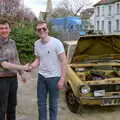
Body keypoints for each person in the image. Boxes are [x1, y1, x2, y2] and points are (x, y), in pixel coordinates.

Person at [29, 21, 67, 120]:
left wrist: (62, 79)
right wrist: (31, 66)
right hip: (42, 77)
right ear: (37, 32)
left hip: (54, 77)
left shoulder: (56, 43)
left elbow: (63, 61)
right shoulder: (36, 44)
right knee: (41, 104)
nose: (42, 30)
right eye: (39, 29)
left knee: (53, 105)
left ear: (48, 30)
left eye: (44, 28)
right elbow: (38, 59)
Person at [0, 19, 29, 120]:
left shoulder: (12, 42)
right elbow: (4, 64)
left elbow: (16, 58)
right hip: (2, 80)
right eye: (1, 28)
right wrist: (23, 68)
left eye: (6, 28)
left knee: (12, 106)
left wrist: (21, 74)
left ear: (9, 29)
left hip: (13, 79)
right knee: (2, 107)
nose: (4, 30)